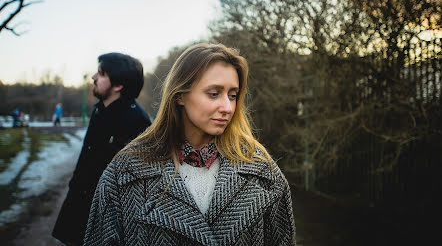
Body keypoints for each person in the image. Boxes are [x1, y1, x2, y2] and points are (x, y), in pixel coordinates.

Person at [83, 43, 296, 246]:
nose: (227, 107)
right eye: (214, 94)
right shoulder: (126, 171)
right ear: (180, 95)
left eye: (233, 95)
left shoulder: (262, 171)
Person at [52, 53, 152, 245]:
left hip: (105, 222)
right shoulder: (100, 110)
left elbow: (136, 189)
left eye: (101, 74)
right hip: (79, 208)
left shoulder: (137, 122)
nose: (93, 77)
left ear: (118, 85)